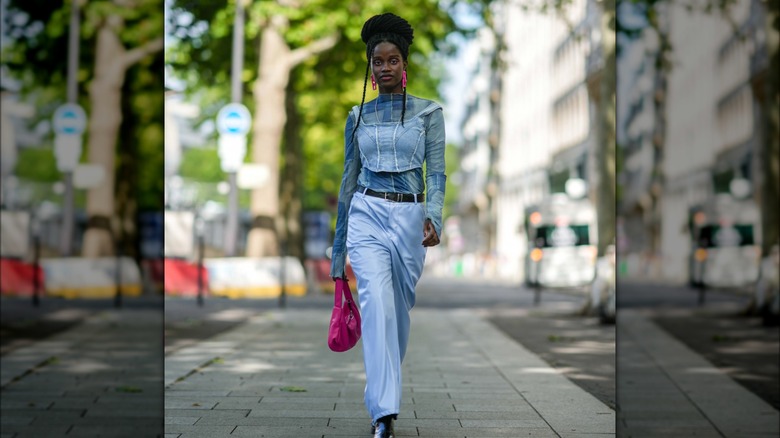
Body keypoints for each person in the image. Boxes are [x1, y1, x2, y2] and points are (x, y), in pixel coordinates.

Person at [329, 12, 446, 438]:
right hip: (367, 213)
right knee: (375, 302)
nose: (384, 67)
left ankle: (384, 397)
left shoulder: (430, 113)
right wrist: (339, 249)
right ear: (371, 69)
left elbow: (437, 173)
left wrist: (434, 215)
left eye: (392, 59)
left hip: (411, 217)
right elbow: (347, 181)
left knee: (396, 311)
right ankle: (384, 413)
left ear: (404, 65)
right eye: (377, 61)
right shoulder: (356, 117)